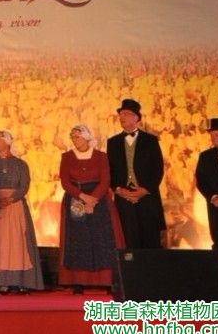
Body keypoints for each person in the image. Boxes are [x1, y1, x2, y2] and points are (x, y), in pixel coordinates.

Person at [57, 124, 124, 293]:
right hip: (76, 199)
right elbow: (65, 182)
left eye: (77, 136)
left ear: (87, 137)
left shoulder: (101, 156)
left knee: (103, 237)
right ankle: (78, 281)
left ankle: (108, 280)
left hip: (99, 199)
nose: (74, 139)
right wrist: (83, 197)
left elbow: (105, 180)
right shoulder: (67, 157)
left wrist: (93, 199)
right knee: (78, 238)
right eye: (72, 137)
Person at [0, 130, 44, 294]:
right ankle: (1, 281)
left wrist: (11, 199)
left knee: (16, 242)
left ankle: (19, 281)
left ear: (7, 142)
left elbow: (24, 185)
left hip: (14, 206)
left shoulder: (20, 164)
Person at [106, 98, 165, 248]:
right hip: (123, 199)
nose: (122, 117)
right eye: (121, 114)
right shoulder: (112, 142)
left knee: (150, 241)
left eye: (126, 113)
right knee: (127, 241)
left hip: (147, 198)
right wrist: (119, 190)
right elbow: (109, 169)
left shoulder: (151, 140)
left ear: (136, 118)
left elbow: (157, 169)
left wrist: (145, 190)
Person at [194, 117, 218, 263]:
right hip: (217, 208)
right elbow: (201, 181)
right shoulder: (205, 157)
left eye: (216, 134)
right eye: (211, 135)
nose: (212, 138)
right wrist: (213, 197)